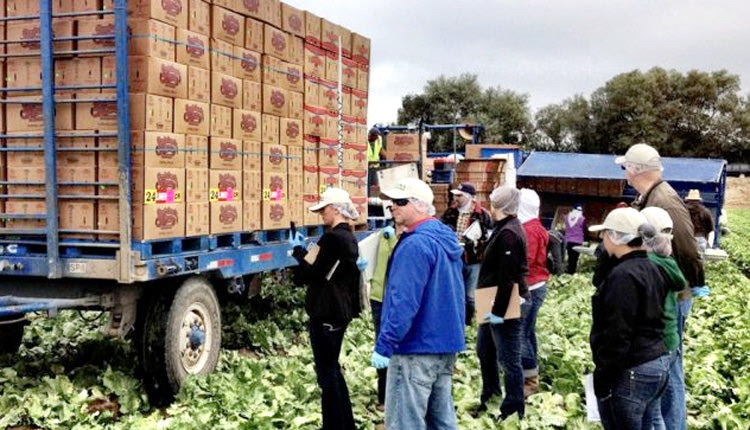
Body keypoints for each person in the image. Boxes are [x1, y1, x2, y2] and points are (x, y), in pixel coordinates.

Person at [371, 177, 465, 430]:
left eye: (400, 202)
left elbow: (403, 303)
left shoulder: (415, 245)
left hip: (415, 347)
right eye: (392, 202)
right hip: (444, 345)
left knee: (405, 422)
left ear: (420, 205)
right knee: (441, 420)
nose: (393, 207)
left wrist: (385, 343)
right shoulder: (444, 238)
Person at [588, 207, 672, 429]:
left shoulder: (623, 276)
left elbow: (618, 333)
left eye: (605, 233)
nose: (602, 238)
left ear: (616, 237)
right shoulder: (653, 267)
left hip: (633, 370)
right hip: (657, 362)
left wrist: (603, 380)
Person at [615, 143, 707, 341]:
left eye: (625, 168)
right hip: (660, 289)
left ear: (635, 170)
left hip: (671, 295)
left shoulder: (664, 201)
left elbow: (686, 248)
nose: (624, 173)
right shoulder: (650, 196)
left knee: (667, 353)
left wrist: (696, 280)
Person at [288, 187, 362, 430]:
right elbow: (319, 265)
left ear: (335, 209)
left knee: (326, 373)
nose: (322, 214)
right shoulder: (348, 237)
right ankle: (344, 424)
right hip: (340, 312)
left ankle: (334, 426)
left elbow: (310, 273)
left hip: (326, 312)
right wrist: (306, 253)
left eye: (324, 209)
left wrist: (298, 252)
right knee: (332, 369)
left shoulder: (331, 239)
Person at [475, 185, 528, 419]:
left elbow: (508, 277)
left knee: (509, 358)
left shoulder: (509, 233)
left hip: (504, 298)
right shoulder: (501, 228)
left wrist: (499, 310)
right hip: (490, 296)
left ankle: (514, 407)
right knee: (484, 349)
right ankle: (491, 394)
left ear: (500, 205)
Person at [641, 207, 688, 430]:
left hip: (650, 345)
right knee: (657, 404)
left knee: (648, 409)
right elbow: (680, 285)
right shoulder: (670, 264)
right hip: (669, 341)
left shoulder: (644, 264)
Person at [440, 182, 493, 325]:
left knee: (470, 295)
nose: (455, 198)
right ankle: (455, 321)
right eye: (454, 195)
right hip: (454, 257)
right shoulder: (449, 213)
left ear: (468, 197)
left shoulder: (482, 215)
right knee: (455, 292)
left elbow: (490, 237)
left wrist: (477, 243)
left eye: (459, 195)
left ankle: (467, 322)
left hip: (473, 259)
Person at [368, 222, 404, 412]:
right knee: (381, 345)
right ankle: (384, 397)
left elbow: (400, 261)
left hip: (395, 299)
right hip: (378, 297)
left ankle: (396, 397)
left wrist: (393, 242)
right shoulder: (383, 234)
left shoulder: (407, 238)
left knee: (395, 346)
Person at [517, 188, 549, 397]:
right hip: (536, 285)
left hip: (528, 286)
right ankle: (531, 372)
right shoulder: (536, 226)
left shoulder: (528, 230)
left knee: (520, 334)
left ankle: (529, 378)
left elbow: (525, 261)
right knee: (528, 332)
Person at [564, 203, 586, 273]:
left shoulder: (567, 217)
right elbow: (585, 229)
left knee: (570, 257)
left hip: (568, 241)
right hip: (577, 242)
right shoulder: (582, 219)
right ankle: (572, 272)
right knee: (575, 258)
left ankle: (569, 270)